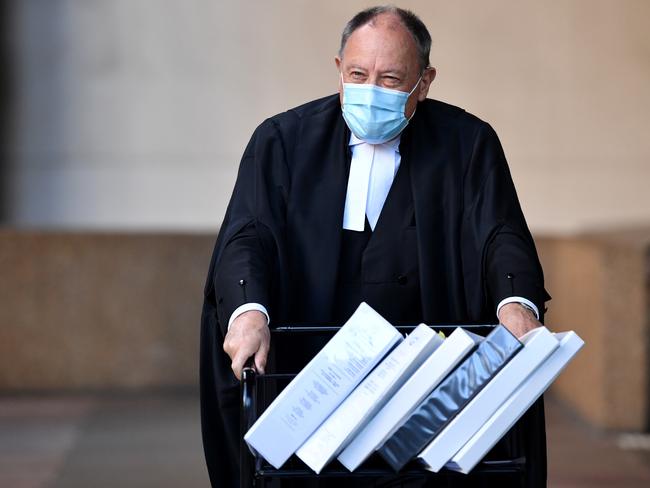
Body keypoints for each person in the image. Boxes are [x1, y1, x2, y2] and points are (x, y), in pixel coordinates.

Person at [200, 6, 550, 488]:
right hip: (311, 379)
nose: (370, 90)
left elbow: (500, 234)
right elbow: (248, 236)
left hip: (426, 390)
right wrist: (248, 312)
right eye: (358, 74)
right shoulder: (282, 140)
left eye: (390, 79)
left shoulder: (468, 143)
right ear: (338, 69)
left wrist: (516, 305)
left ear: (424, 82)